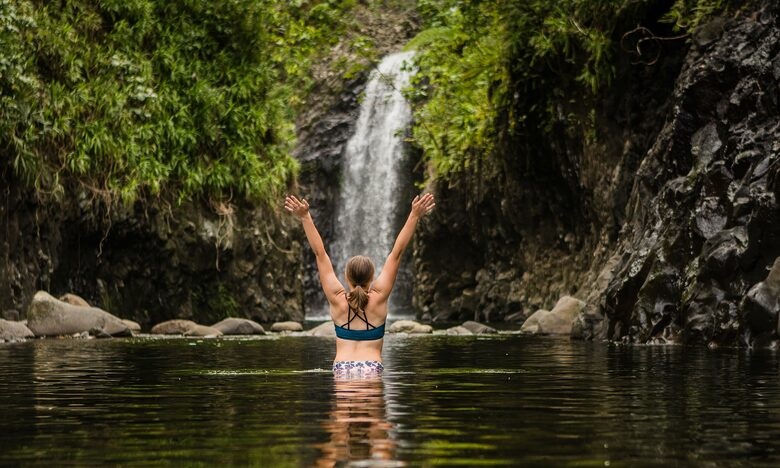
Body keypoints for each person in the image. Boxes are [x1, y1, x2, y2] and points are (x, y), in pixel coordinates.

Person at [284, 193, 435, 378]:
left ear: (346, 277)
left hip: (342, 367)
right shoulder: (379, 299)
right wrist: (414, 216)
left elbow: (320, 254)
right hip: (372, 367)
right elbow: (397, 253)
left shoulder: (338, 301)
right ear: (372, 277)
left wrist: (305, 217)